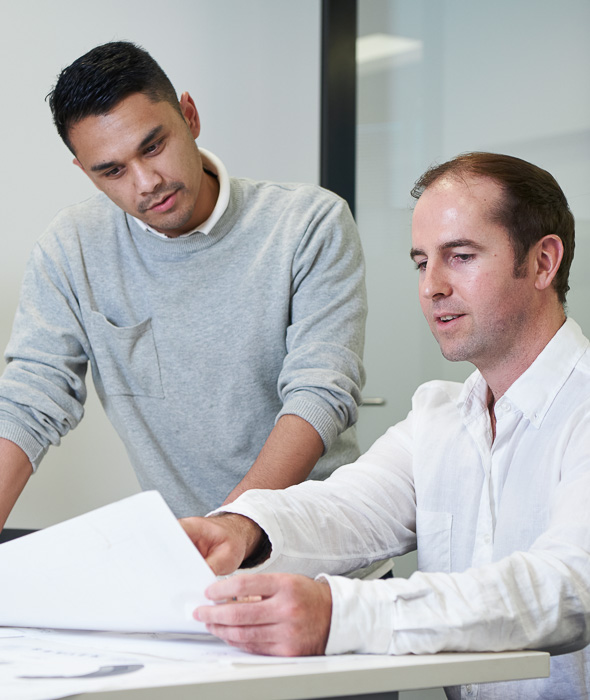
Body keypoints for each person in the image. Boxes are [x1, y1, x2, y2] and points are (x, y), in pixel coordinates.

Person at [181, 152, 590, 699]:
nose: (432, 287)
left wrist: (341, 616)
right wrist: (241, 528)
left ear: (544, 263)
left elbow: (567, 587)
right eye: (422, 263)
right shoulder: (439, 416)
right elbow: (346, 509)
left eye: (460, 256)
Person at [0, 41, 367, 527]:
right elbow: (30, 399)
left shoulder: (307, 223)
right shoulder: (72, 248)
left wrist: (231, 525)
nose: (146, 181)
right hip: (195, 561)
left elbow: (321, 392)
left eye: (152, 146)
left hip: (324, 550)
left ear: (189, 117)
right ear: (86, 173)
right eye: (112, 171)